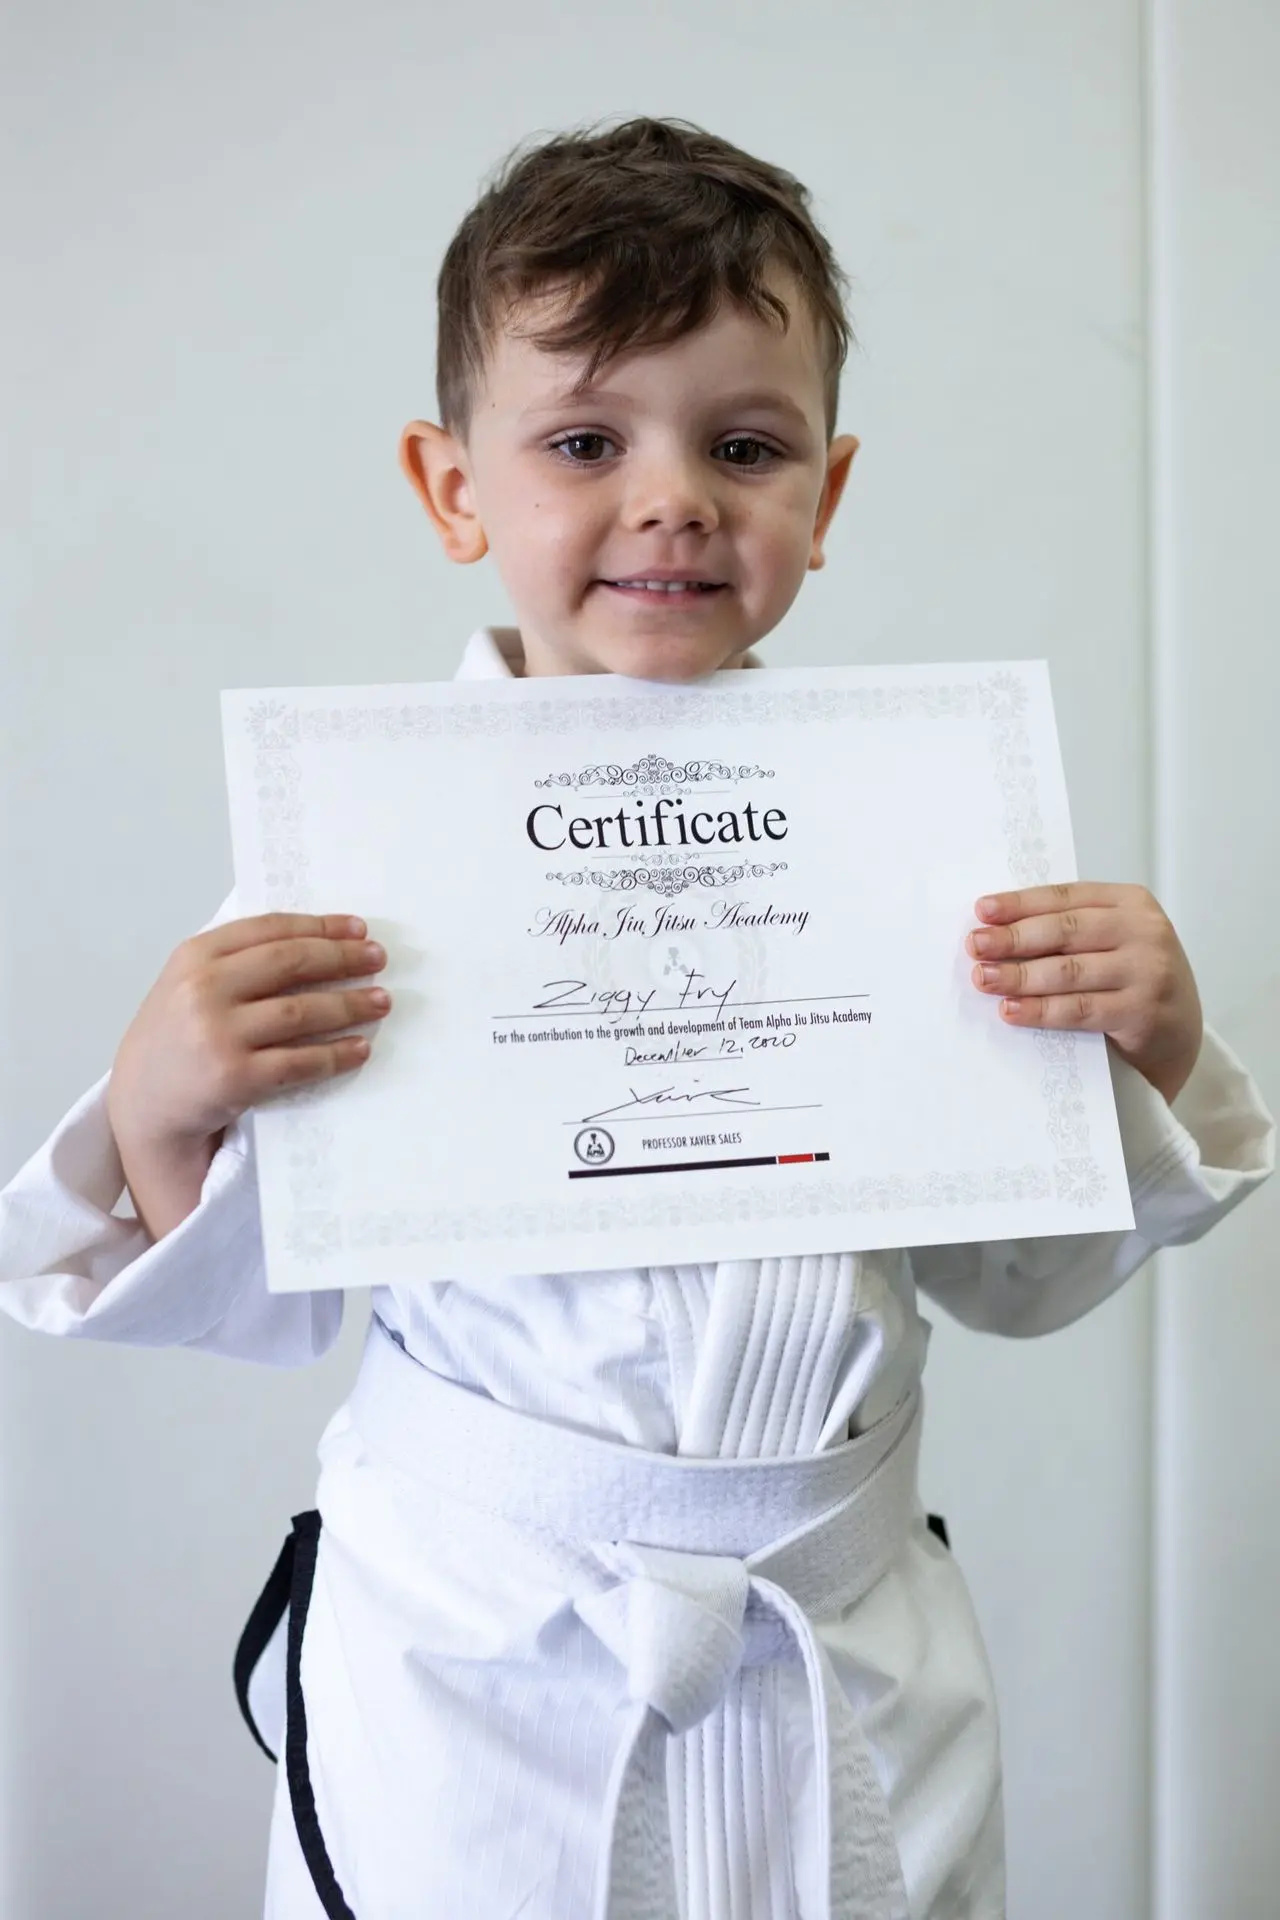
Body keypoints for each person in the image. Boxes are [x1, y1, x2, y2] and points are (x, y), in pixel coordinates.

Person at [0, 117, 1272, 1920]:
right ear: (455, 489)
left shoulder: (921, 849)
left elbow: (1019, 1278)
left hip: (838, 1632)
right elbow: (252, 1300)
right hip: (478, 1656)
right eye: (586, 441)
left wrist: (1137, 1047)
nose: (672, 496)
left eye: (742, 447)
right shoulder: (352, 858)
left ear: (823, 501)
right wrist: (163, 1098)